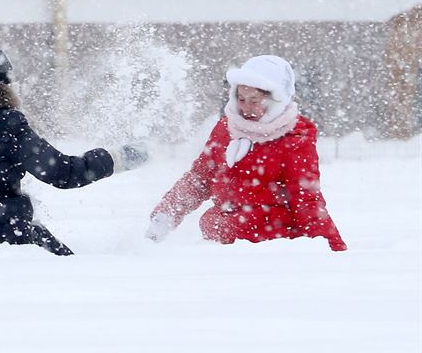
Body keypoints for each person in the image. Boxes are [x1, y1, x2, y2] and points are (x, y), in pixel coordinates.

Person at [0, 39, 148, 259]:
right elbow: (64, 173)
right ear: (0, 82)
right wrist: (117, 158)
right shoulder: (5, 122)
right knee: (75, 273)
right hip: (1, 237)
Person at [146, 55, 347, 251]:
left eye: (255, 100)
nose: (245, 107)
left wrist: (330, 245)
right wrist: (166, 215)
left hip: (272, 243)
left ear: (276, 102)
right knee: (211, 222)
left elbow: (305, 198)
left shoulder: (293, 139)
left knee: (227, 225)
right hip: (224, 236)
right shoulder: (226, 128)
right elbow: (200, 179)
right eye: (241, 98)